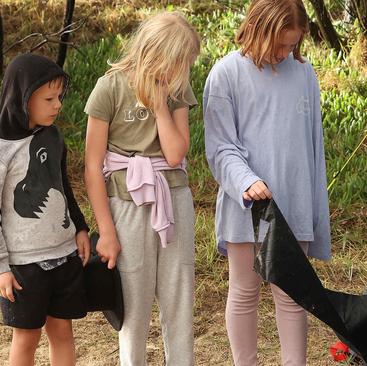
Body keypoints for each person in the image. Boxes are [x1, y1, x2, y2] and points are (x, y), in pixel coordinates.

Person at [203, 0, 331, 364]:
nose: (284, 53)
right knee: (244, 292)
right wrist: (246, 181)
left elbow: (312, 149)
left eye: (291, 46)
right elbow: (221, 146)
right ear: (258, 28)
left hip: (294, 203)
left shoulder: (304, 74)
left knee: (293, 295)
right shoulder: (226, 73)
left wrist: (314, 211)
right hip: (247, 207)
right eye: (279, 45)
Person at [83, 12, 200, 366]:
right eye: (179, 62)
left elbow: (177, 152)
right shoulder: (110, 87)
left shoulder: (176, 88)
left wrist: (160, 106)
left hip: (173, 196)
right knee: (132, 303)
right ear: (155, 52)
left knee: (179, 296)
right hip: (126, 201)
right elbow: (92, 165)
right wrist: (106, 231)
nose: (182, 71)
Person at [0, 53, 91, 366]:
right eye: (49, 98)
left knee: (62, 331)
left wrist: (80, 227)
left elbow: (63, 185)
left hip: (64, 255)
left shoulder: (53, 137)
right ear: (23, 98)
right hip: (24, 265)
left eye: (59, 97)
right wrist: (1, 267)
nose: (58, 105)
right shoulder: (2, 148)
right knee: (26, 338)